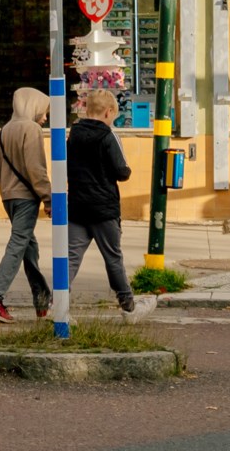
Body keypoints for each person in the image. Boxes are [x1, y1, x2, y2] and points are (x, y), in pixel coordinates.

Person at [0, 85, 53, 322]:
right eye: (43, 111)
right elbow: (37, 170)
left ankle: (42, 299)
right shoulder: (32, 129)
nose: (45, 117)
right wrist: (49, 198)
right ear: (33, 106)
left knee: (29, 247)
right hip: (27, 197)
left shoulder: (3, 131)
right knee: (17, 247)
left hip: (8, 198)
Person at [67, 86, 136, 311]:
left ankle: (55, 299)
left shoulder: (73, 135)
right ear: (108, 112)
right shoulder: (108, 136)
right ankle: (126, 300)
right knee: (113, 256)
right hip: (104, 207)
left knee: (71, 256)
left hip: (77, 205)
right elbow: (121, 171)